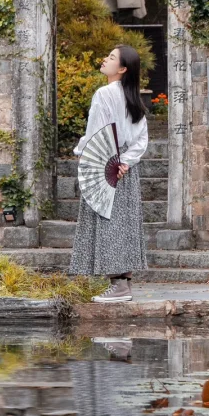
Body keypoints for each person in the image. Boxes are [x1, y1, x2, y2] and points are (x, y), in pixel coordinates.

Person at [70, 44, 148, 302]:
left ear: (122, 68)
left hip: (105, 164)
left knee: (108, 221)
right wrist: (125, 161)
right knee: (123, 223)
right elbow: (141, 139)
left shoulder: (104, 93)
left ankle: (119, 287)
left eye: (112, 57)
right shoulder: (134, 98)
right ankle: (123, 284)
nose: (105, 59)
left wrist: (82, 151)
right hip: (126, 169)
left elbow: (96, 132)